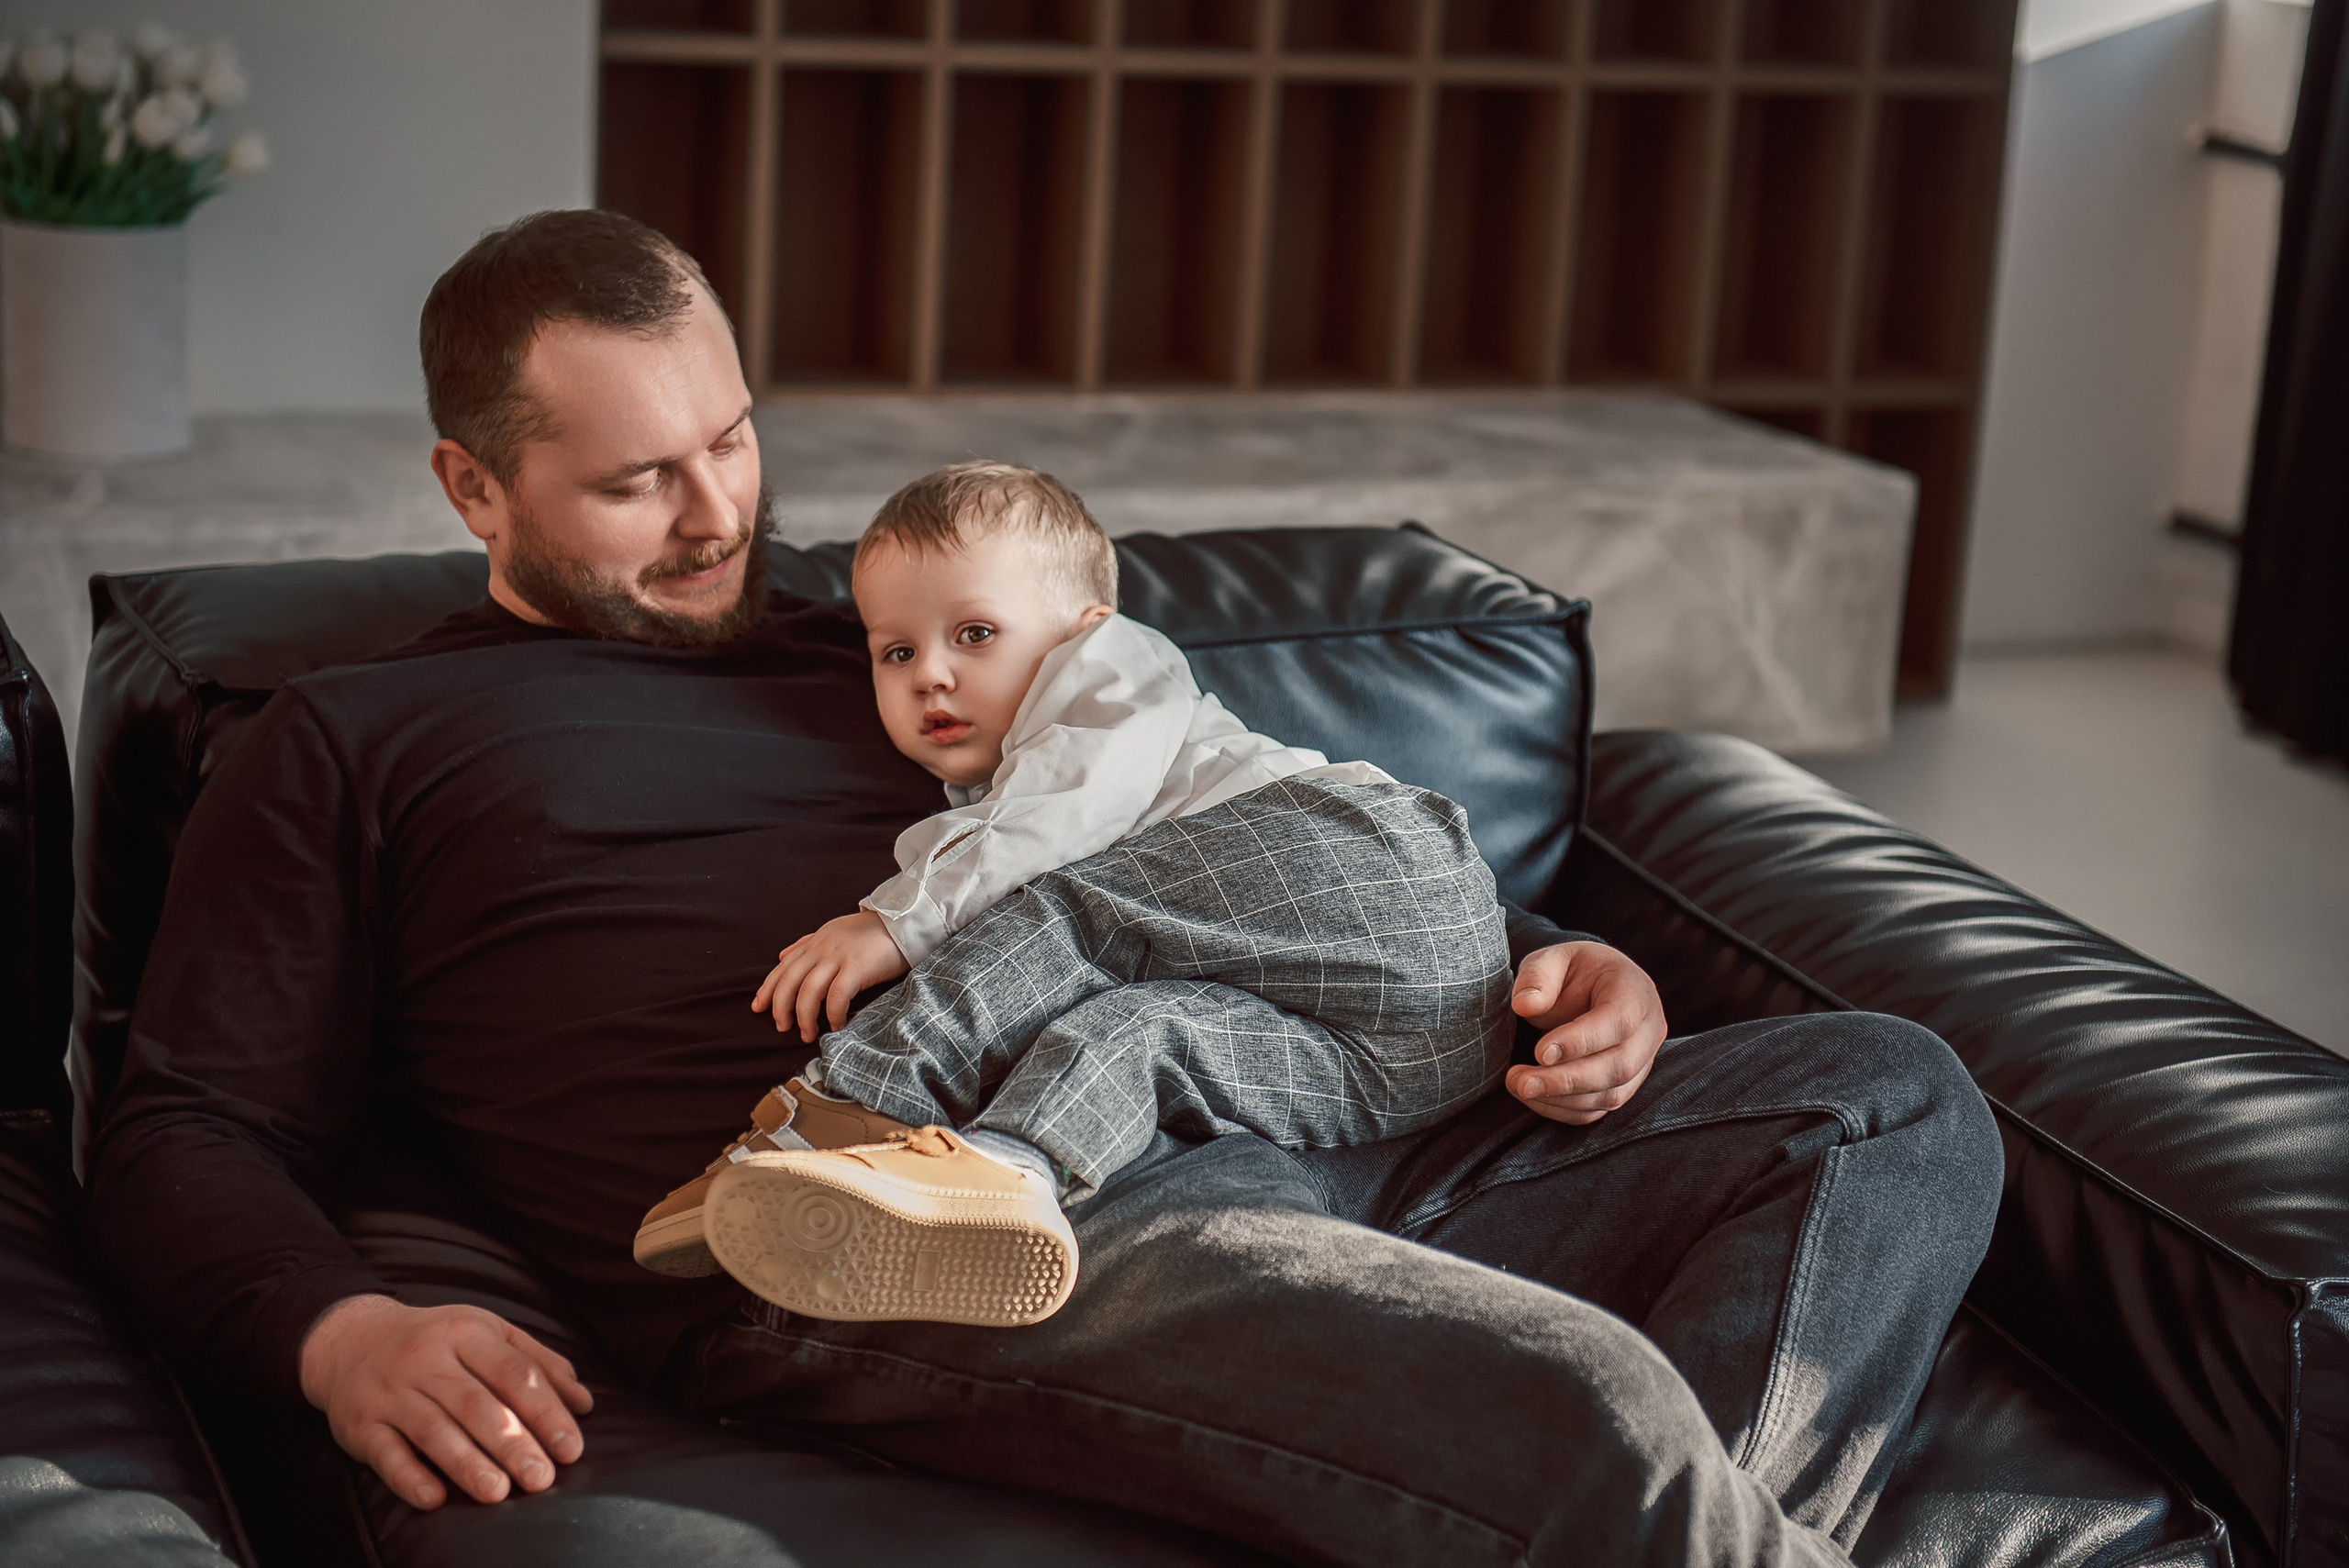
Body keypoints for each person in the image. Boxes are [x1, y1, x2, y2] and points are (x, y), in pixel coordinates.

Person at [85, 208, 2001, 1566]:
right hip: (909, 1215)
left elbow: (1229, 823)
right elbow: (182, 1118)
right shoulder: (356, 736)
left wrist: (1548, 963)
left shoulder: (916, 625)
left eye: (735, 436)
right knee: (1578, 1400)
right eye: (635, 481)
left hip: (1284, 1091)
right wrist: (341, 1327)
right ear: (469, 485)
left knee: (1889, 1097)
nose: (718, 514)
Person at [635, 460, 1516, 1329]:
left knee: (1062, 914)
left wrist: (895, 920)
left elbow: (1058, 815)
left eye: (974, 634)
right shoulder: (997, 783)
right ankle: (1004, 1175)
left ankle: (850, 1106)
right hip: (1421, 1060)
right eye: (896, 650)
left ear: (1084, 627)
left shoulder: (1112, 675)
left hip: (1365, 853)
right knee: (1143, 1027)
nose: (929, 674)